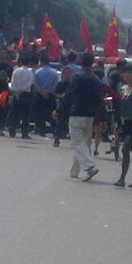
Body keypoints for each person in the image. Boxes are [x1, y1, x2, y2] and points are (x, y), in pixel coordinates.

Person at [56, 51, 102, 181]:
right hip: (90, 115)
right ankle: (74, 171)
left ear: (81, 63)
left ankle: (90, 167)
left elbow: (69, 95)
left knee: (77, 142)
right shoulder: (96, 80)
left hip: (77, 113)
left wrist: (59, 109)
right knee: (82, 143)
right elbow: (99, 100)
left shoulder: (77, 77)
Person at [7, 54, 34, 139]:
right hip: (26, 94)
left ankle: (12, 131)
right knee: (26, 114)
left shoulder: (16, 71)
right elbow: (29, 83)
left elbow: (13, 82)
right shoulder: (30, 71)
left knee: (14, 113)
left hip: (16, 93)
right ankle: (24, 133)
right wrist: (21, 90)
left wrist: (16, 92)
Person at [33, 53, 60, 137]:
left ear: (41, 62)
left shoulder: (37, 72)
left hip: (40, 95)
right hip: (50, 95)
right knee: (51, 113)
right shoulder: (54, 73)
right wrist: (48, 91)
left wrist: (42, 92)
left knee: (40, 113)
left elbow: (35, 84)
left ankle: (41, 131)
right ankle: (54, 130)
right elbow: (56, 84)